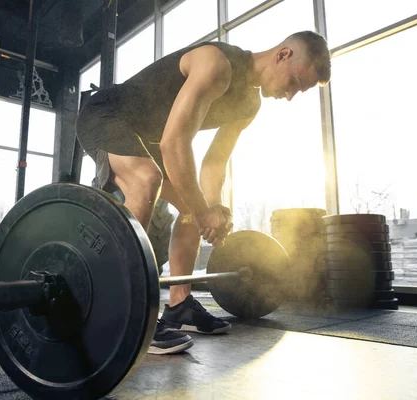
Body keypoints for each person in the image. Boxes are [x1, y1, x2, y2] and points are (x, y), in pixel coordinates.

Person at [76, 30, 331, 355]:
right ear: (283, 55)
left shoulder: (249, 106)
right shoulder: (217, 64)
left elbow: (214, 163)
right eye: (295, 82)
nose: (291, 95)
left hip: (146, 139)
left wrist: (213, 209)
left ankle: (180, 303)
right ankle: (121, 311)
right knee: (146, 179)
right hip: (106, 114)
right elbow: (174, 143)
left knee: (189, 208)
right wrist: (203, 211)